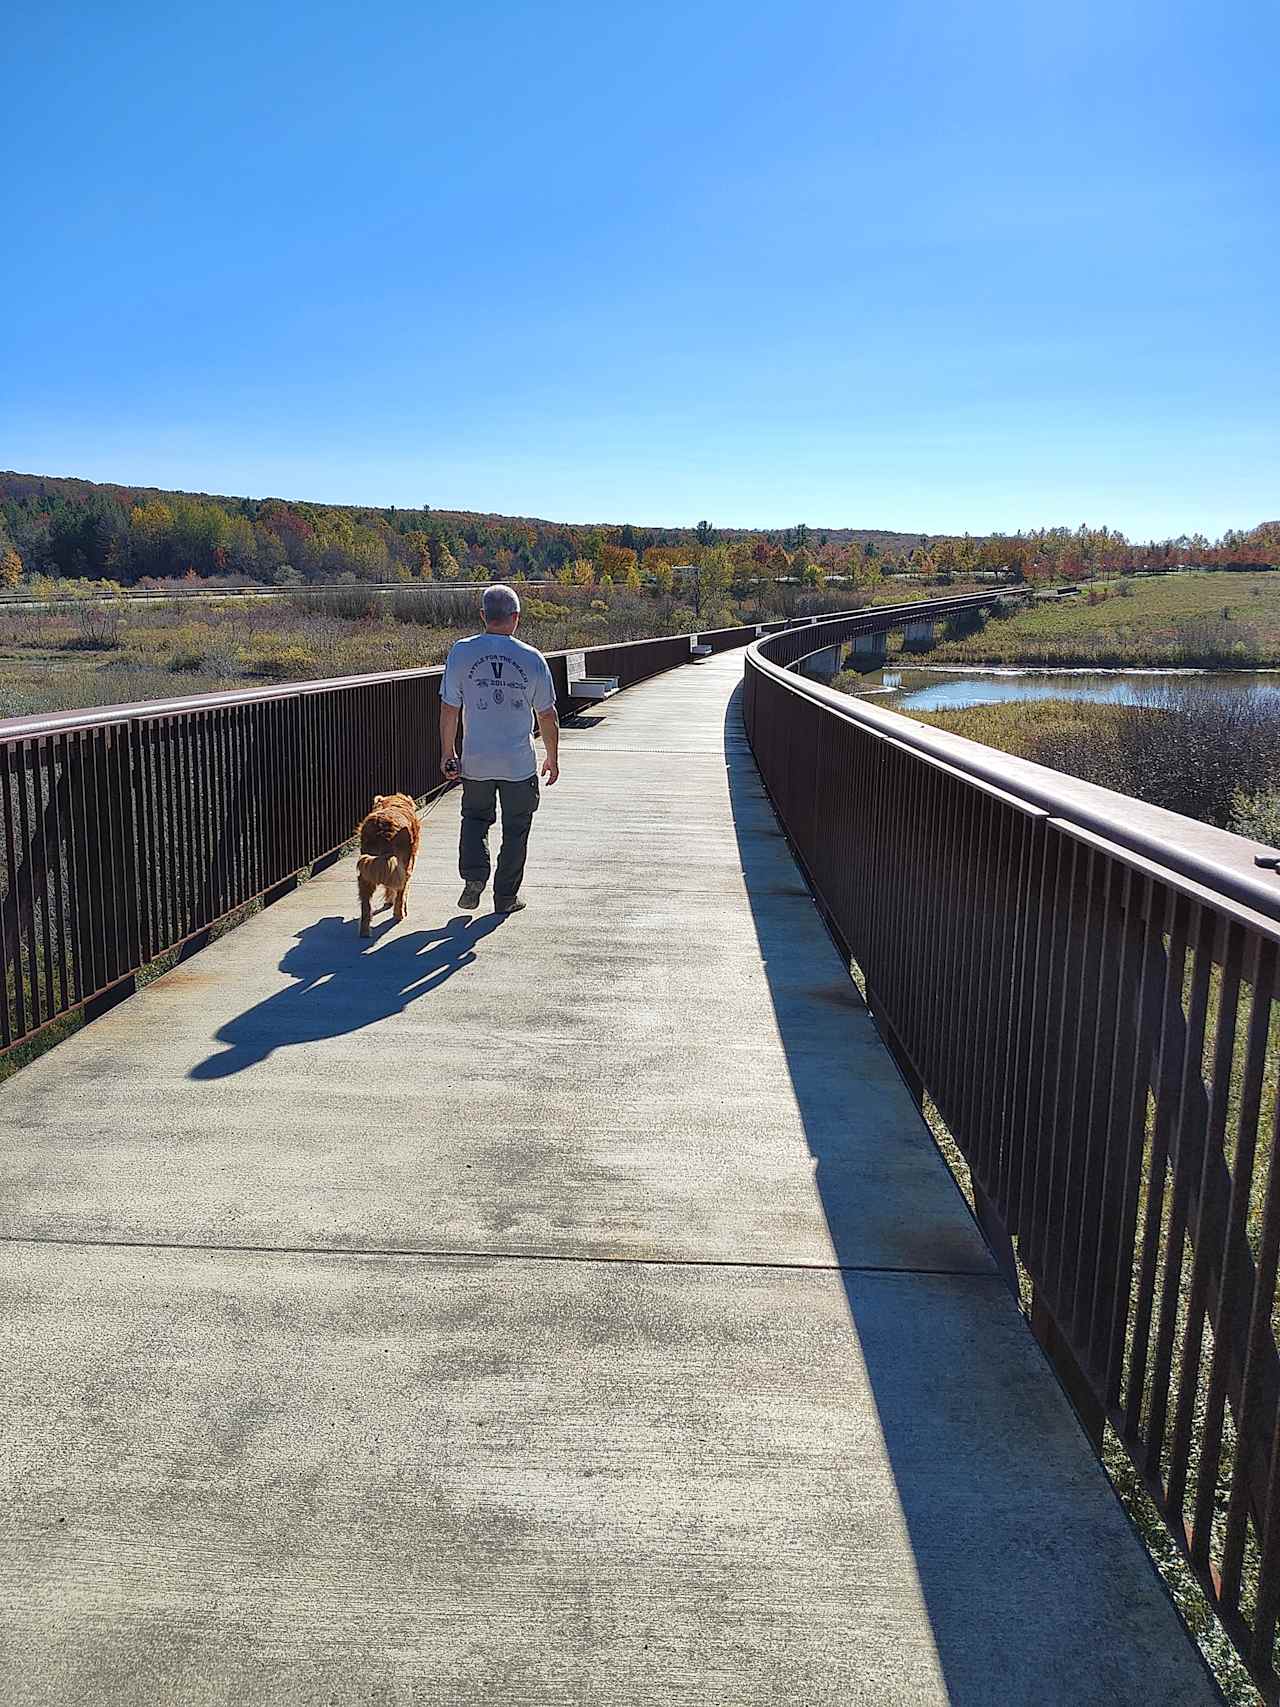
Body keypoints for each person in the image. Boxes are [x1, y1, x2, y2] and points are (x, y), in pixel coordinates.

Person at [439, 584, 560, 914]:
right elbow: (546, 714)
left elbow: (450, 707)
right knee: (516, 828)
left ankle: (474, 877)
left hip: (476, 760)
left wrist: (448, 752)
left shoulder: (461, 652)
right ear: (516, 617)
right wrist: (552, 756)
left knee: (475, 818)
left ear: (483, 616)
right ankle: (505, 897)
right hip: (518, 763)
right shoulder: (531, 658)